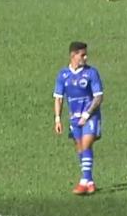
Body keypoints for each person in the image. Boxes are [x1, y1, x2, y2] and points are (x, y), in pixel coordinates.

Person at [53, 42, 104, 195]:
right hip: (74, 119)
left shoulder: (91, 73)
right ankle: (90, 182)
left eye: (86, 54)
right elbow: (58, 98)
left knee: (87, 144)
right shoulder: (63, 75)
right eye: (82, 55)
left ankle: (83, 181)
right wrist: (57, 119)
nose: (85, 57)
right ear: (73, 55)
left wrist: (87, 114)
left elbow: (99, 97)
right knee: (80, 148)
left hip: (91, 116)